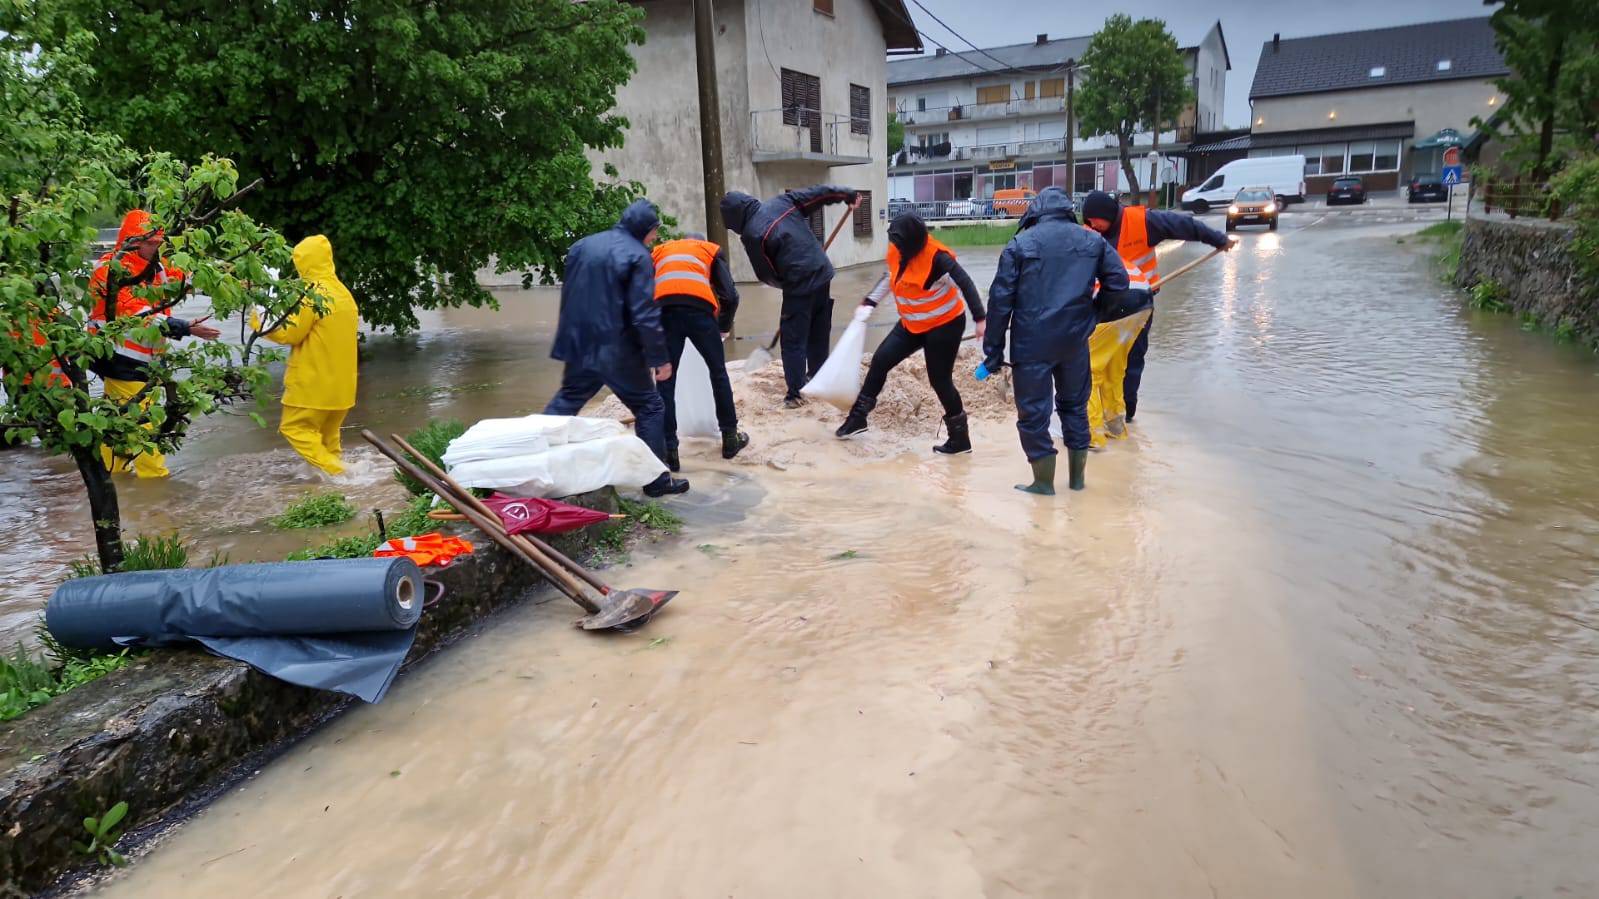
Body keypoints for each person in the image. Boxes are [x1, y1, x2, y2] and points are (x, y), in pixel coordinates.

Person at [983, 187, 1129, 495]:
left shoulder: (1020, 245)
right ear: (1068, 210)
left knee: (1034, 414)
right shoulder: (1093, 240)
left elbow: (999, 303)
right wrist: (1095, 313)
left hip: (1031, 344)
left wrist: (992, 352)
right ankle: (1077, 481)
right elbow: (1119, 281)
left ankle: (1043, 483)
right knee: (1074, 407)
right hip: (1074, 340)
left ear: (1035, 212)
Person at [543, 199, 688, 498]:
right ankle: (656, 481)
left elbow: (571, 294)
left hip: (579, 341)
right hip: (617, 347)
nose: (655, 238)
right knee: (650, 406)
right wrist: (659, 357)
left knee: (567, 401)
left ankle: (534, 461)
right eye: (655, 232)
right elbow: (644, 312)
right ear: (646, 229)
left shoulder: (581, 246)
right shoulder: (638, 255)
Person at [836, 211, 986, 454]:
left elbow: (965, 283)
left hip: (944, 326)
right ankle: (858, 419)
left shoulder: (938, 258)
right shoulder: (898, 250)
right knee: (881, 360)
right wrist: (870, 302)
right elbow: (891, 276)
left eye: (900, 243)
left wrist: (980, 318)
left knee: (940, 380)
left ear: (914, 241)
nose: (896, 246)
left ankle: (960, 440)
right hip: (912, 324)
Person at [87, 209, 222, 478]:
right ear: (133, 242)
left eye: (159, 242)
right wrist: (187, 328)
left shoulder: (154, 266)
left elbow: (182, 277)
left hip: (139, 359)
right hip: (118, 358)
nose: (157, 247)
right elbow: (139, 316)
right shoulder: (108, 272)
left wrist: (222, 278)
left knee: (121, 420)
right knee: (145, 424)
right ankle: (155, 486)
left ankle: (114, 480)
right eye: (151, 243)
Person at [1079, 190, 1232, 426]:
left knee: (1130, 360)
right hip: (1103, 308)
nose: (1089, 225)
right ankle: (1105, 416)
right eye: (1086, 221)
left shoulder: (1143, 221)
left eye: (1092, 220)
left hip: (1137, 308)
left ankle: (1125, 414)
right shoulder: (1090, 233)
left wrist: (1217, 239)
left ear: (1105, 214)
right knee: (1101, 363)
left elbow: (1184, 225)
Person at [719, 185, 861, 407]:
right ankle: (817, 376)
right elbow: (818, 194)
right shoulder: (781, 202)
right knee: (817, 329)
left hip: (798, 283)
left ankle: (795, 394)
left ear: (734, 220)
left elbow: (765, 273)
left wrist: (787, 285)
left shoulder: (753, 234)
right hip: (822, 271)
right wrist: (847, 195)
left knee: (793, 339)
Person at [257, 235, 360, 475]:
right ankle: (337, 487)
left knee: (295, 428)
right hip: (343, 388)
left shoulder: (311, 294)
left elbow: (288, 334)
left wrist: (258, 318)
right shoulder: (343, 293)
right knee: (328, 440)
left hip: (313, 386)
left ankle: (340, 472)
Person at [650, 232, 749, 471]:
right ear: (700, 241)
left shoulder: (659, 251)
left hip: (665, 312)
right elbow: (730, 295)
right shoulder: (709, 250)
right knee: (718, 373)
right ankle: (730, 440)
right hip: (700, 313)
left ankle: (670, 452)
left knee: (665, 380)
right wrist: (723, 327)